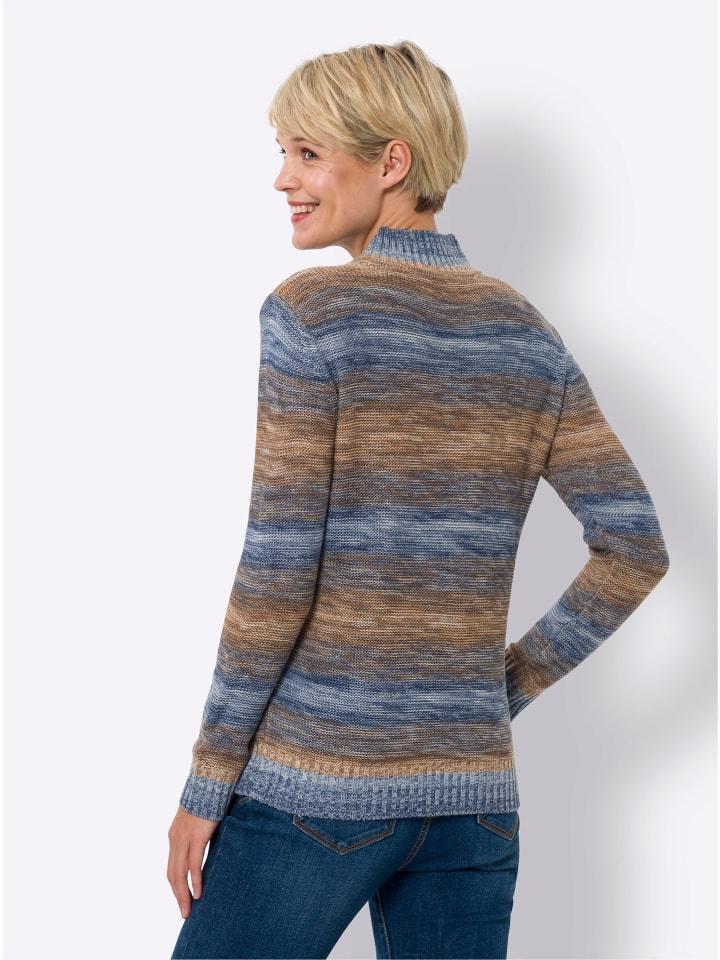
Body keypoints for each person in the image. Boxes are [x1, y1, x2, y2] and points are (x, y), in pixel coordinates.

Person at [167, 40, 670, 960]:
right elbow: (636, 547)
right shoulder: (527, 334)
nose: (283, 179)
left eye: (308, 153)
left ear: (392, 162)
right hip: (472, 799)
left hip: (317, 788)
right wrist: (491, 692)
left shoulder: (314, 316)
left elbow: (277, 572)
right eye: (283, 152)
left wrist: (206, 784)